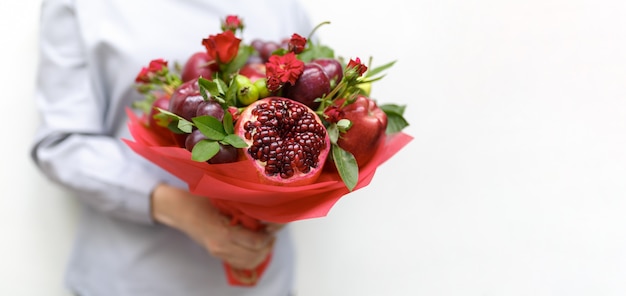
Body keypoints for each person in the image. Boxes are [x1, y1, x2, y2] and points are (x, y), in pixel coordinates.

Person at [30, 0, 314, 295]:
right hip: (136, 276)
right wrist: (182, 210)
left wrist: (283, 204)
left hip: (265, 282)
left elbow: (319, 109)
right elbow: (62, 144)